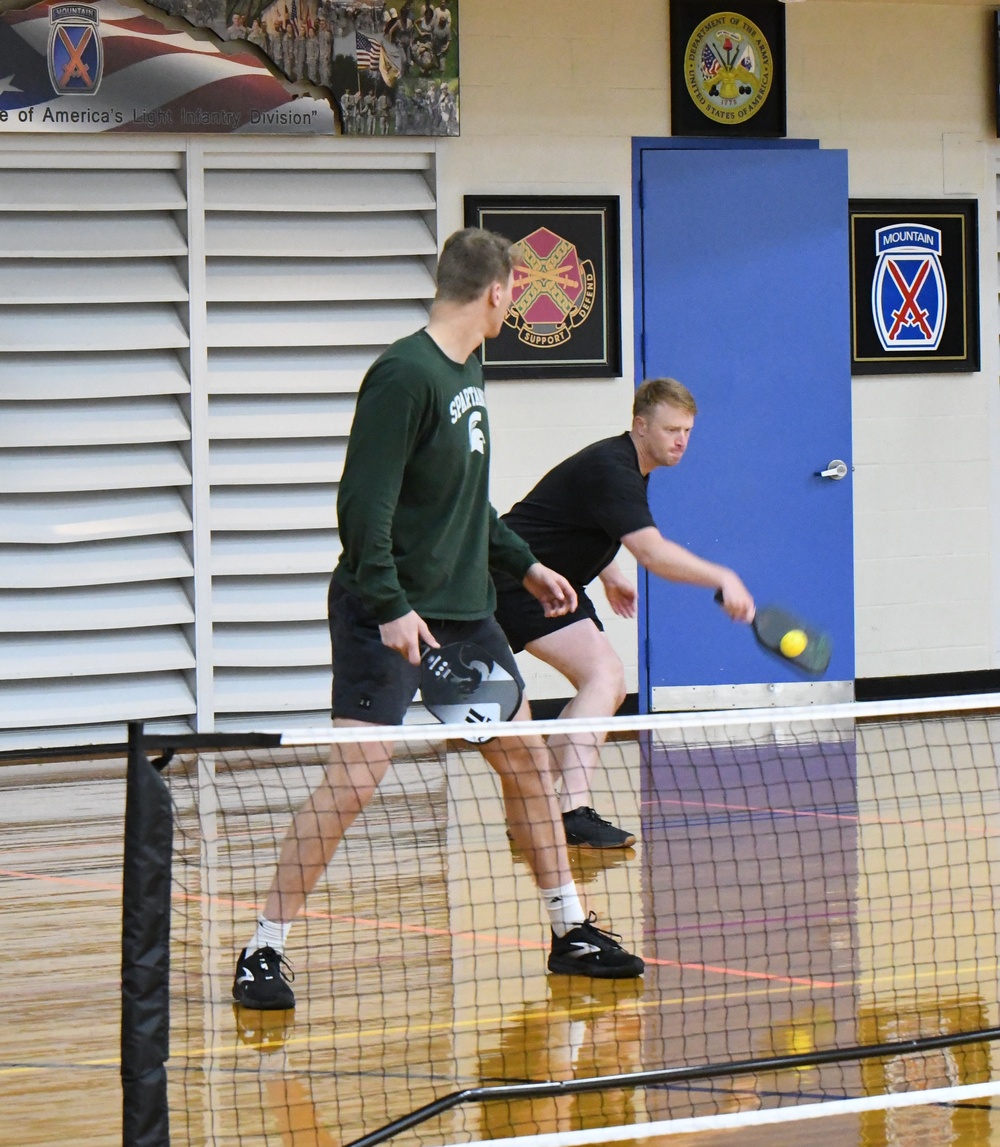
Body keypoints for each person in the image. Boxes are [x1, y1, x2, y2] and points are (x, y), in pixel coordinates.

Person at [233, 229, 644, 1010]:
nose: (513, 303)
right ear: (495, 291)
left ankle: (570, 930)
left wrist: (522, 560)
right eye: (513, 293)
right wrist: (390, 607)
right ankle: (263, 947)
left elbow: (464, 502)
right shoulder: (404, 375)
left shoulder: (469, 368)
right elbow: (363, 506)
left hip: (465, 614)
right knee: (356, 781)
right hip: (381, 614)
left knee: (524, 766)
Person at [493, 378, 755, 849]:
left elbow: (584, 520)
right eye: (672, 429)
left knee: (606, 684)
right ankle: (569, 810)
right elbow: (653, 554)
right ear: (639, 426)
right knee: (605, 676)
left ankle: (537, 810)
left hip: (554, 581)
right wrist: (723, 577)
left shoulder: (629, 467)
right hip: (517, 579)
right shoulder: (612, 467)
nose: (681, 440)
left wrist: (610, 569)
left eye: (688, 431)